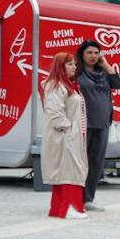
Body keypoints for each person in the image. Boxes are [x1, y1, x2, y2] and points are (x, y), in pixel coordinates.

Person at [75, 39, 120, 211]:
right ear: (82, 54)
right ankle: (74, 198)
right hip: (82, 124)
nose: (93, 56)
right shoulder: (77, 73)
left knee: (96, 163)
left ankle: (88, 198)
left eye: (96, 53)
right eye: (89, 52)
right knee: (80, 162)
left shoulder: (103, 73)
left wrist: (107, 65)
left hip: (102, 124)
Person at [42, 52, 88, 220]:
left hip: (71, 135)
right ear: (60, 66)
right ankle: (69, 208)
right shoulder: (56, 86)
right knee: (70, 170)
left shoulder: (66, 85)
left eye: (75, 64)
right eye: (69, 64)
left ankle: (59, 208)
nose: (74, 67)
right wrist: (69, 129)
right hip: (65, 136)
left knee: (68, 170)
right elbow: (54, 112)